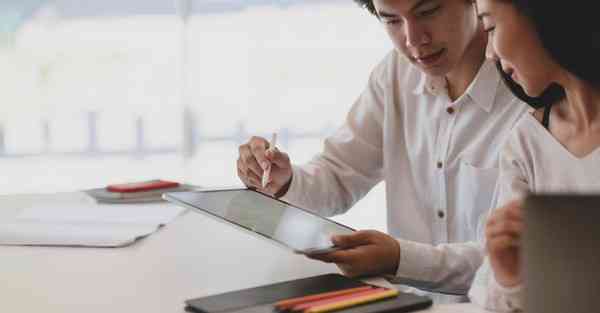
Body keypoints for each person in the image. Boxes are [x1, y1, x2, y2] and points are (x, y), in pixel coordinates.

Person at [237, 0, 527, 295]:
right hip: (408, 302)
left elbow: (515, 261)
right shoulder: (396, 74)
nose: (413, 40)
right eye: (391, 21)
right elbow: (337, 176)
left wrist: (400, 259)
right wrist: (285, 181)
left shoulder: (529, 93)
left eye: (427, 12)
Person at [468, 0, 600, 311]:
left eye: (490, 26)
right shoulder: (526, 142)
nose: (489, 55)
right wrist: (509, 273)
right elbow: (489, 297)